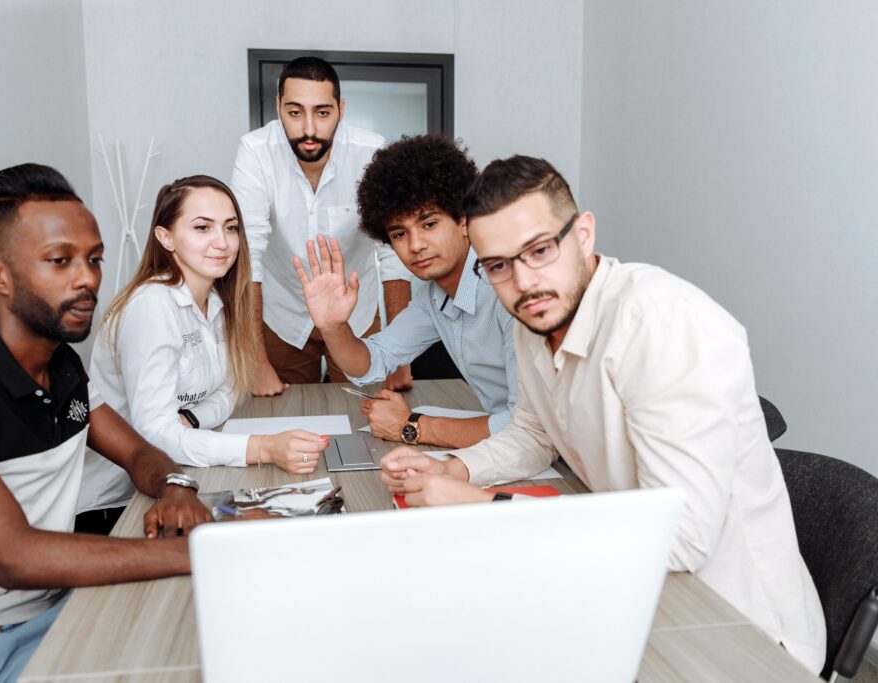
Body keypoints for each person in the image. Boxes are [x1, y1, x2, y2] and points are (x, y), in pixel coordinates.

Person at [379, 156, 826, 673]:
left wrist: (483, 503)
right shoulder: (535, 320)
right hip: (634, 586)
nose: (524, 282)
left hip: (736, 632)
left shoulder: (661, 323)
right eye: (499, 265)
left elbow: (681, 540)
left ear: (583, 233)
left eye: (541, 250)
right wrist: (451, 469)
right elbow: (531, 432)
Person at [0, 164, 214, 683]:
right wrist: (197, 551)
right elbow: (15, 557)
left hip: (53, 613)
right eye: (60, 261)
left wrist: (176, 486)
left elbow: (140, 454)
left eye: (94, 259)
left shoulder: (63, 366)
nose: (87, 279)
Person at [77, 175, 329, 520]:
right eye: (201, 228)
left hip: (182, 473)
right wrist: (263, 448)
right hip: (117, 502)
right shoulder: (152, 306)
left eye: (230, 228)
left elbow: (231, 389)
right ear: (166, 237)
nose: (222, 242)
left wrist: (190, 420)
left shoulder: (216, 300)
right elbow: (156, 436)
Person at [293, 135, 517, 449]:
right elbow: (373, 361)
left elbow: (525, 425)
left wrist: (411, 426)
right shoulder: (433, 296)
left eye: (429, 224)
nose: (415, 245)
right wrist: (333, 327)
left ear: (464, 219)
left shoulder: (510, 290)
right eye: (399, 233)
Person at [230, 56, 412, 395]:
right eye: (295, 112)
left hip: (355, 314)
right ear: (278, 106)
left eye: (323, 113)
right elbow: (247, 256)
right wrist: (255, 360)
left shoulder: (371, 151)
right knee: (284, 417)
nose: (309, 129)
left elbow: (393, 255)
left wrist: (400, 356)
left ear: (341, 109)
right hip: (281, 312)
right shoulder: (255, 152)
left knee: (368, 414)